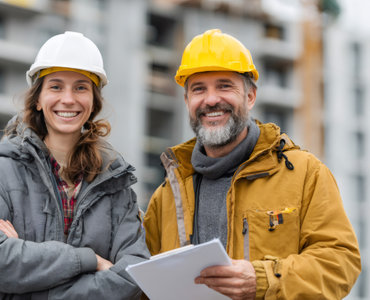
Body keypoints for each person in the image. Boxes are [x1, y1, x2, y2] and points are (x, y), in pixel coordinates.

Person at [143, 29, 361, 299]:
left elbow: (340, 264)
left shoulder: (305, 173)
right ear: (187, 101)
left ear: (250, 96)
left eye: (224, 85)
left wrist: (263, 280)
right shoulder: (166, 196)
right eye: (199, 89)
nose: (211, 100)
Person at [0, 31, 149, 299]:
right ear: (38, 99)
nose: (68, 99)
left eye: (81, 87)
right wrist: (89, 261)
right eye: (56, 86)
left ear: (93, 101)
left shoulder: (116, 186)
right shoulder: (1, 175)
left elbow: (133, 276)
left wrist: (27, 274)